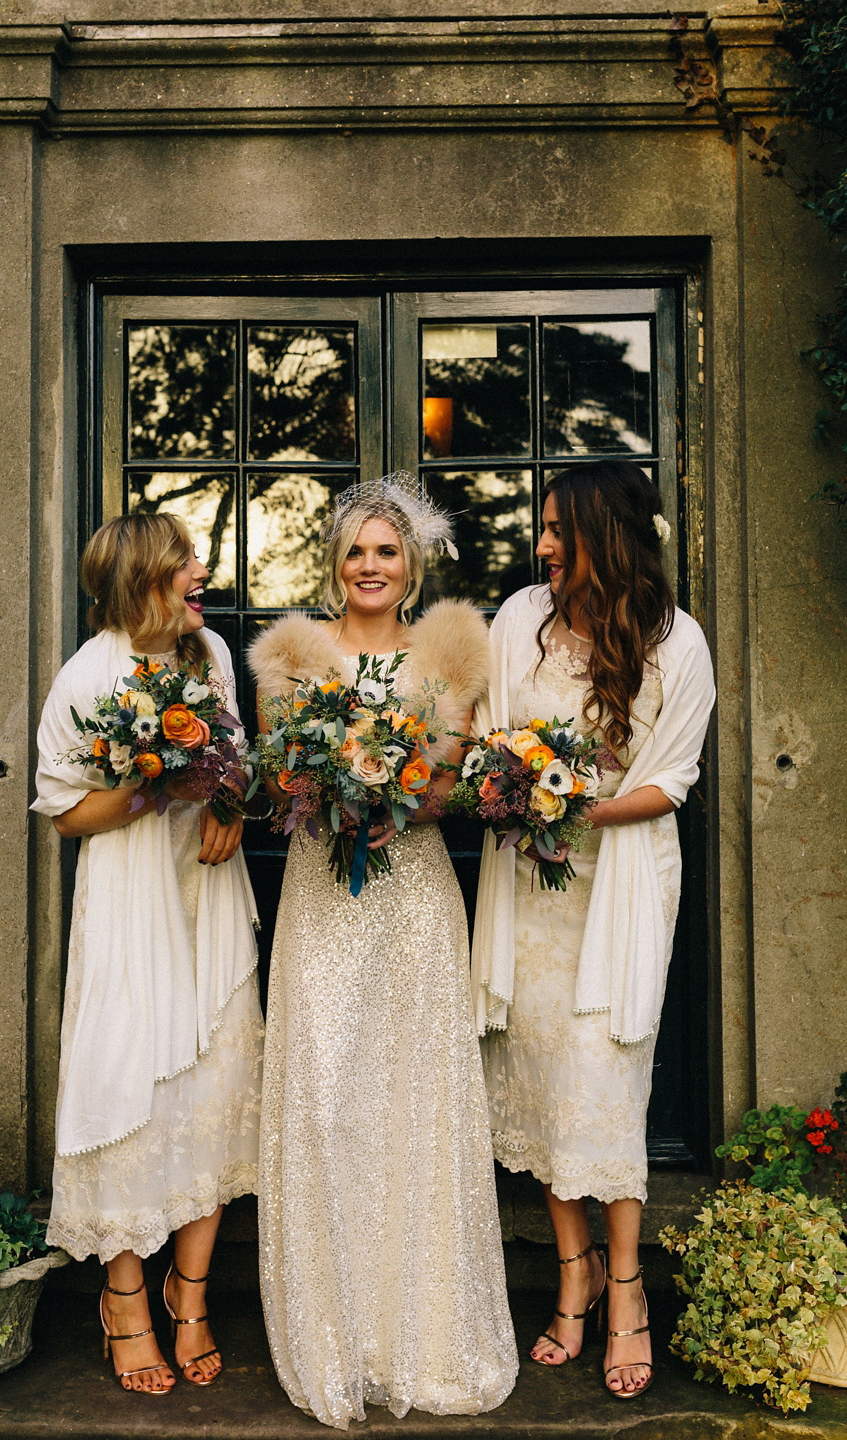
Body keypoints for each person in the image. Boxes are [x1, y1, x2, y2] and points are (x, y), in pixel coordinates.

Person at [248, 475, 518, 1430]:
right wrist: (327, 788)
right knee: (328, 1100)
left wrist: (402, 790)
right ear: (335, 563)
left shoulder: (450, 658)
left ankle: (425, 1333)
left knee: (414, 1102)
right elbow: (276, 789)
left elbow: (475, 786)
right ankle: (339, 1336)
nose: (370, 566)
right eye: (356, 551)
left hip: (415, 897)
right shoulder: (289, 660)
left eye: (386, 551)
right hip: (323, 897)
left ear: (411, 567)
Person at [471, 460, 715, 1400]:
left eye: (557, 531)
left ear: (604, 539)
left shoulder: (675, 642)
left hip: (615, 886)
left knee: (601, 1083)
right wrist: (513, 787)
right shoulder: (518, 620)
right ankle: (571, 1276)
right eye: (540, 529)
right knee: (537, 1078)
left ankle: (626, 1290)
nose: (540, 545)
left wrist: (575, 810)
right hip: (530, 893)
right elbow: (494, 731)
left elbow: (672, 780)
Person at [31, 512, 264, 1395]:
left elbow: (235, 764)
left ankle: (191, 1296)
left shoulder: (208, 661)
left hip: (203, 899)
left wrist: (226, 805)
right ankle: (124, 1300)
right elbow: (66, 811)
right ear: (139, 582)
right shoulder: (89, 675)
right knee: (128, 1085)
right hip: (132, 900)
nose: (201, 574)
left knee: (213, 1084)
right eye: (183, 567)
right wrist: (145, 785)